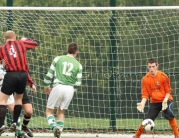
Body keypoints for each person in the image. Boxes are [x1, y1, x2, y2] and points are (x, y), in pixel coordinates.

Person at [0, 31, 38, 137]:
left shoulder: (2, 48)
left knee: (1, 101)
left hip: (11, 75)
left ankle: (1, 125)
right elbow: (35, 43)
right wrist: (25, 40)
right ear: (15, 37)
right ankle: (15, 122)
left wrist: (2, 62)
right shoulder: (21, 43)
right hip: (22, 76)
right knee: (18, 100)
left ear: (5, 39)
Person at [44, 42, 82, 138]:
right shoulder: (79, 65)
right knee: (61, 112)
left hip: (58, 86)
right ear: (76, 52)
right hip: (70, 89)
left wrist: (47, 85)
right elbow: (78, 83)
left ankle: (53, 128)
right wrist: (73, 89)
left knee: (49, 111)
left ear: (67, 50)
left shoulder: (58, 59)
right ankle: (58, 132)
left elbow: (49, 75)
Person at [133, 58, 179, 138]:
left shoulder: (163, 76)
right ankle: (136, 136)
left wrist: (165, 101)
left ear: (157, 66)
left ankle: (177, 135)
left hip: (166, 100)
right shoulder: (145, 79)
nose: (151, 69)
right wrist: (142, 103)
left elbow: (168, 91)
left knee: (170, 114)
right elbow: (145, 94)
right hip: (154, 102)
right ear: (147, 66)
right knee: (146, 120)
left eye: (153, 66)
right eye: (150, 67)